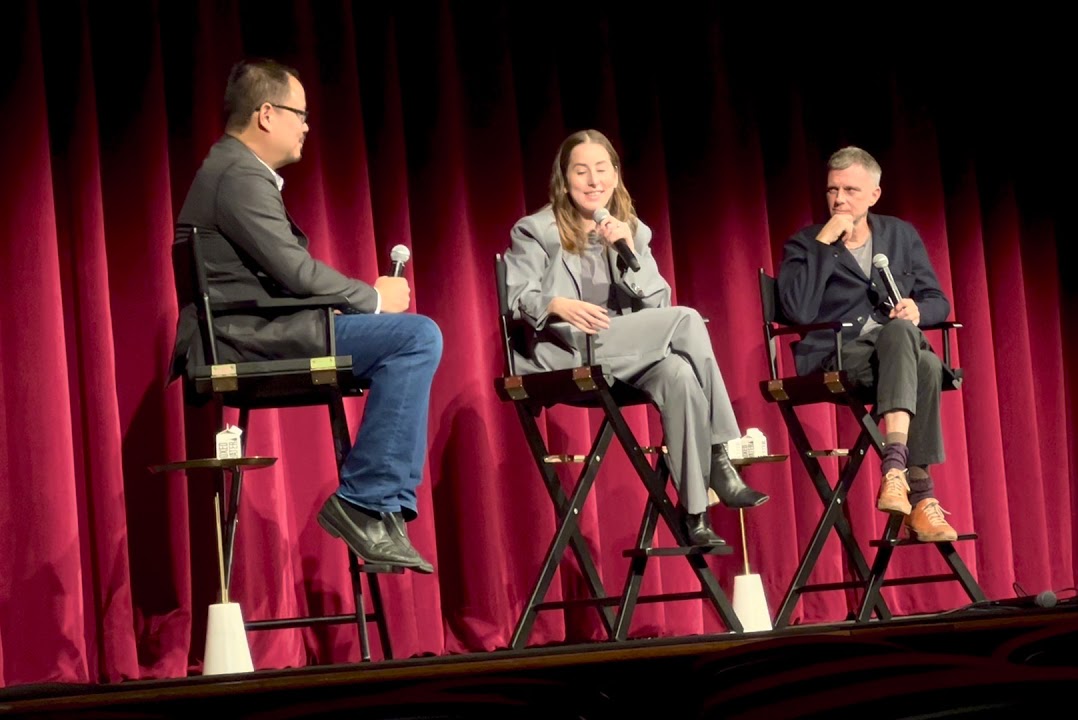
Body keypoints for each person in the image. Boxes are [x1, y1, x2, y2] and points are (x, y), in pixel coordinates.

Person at [168, 59, 442, 572]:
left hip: (262, 327)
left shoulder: (236, 170)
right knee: (414, 337)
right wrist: (374, 298)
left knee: (411, 339)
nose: (307, 127)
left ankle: (376, 502)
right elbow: (294, 272)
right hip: (248, 338)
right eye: (301, 114)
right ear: (266, 114)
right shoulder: (237, 174)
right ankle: (365, 503)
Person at [503, 129, 768, 547]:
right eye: (581, 171)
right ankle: (720, 453)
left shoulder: (631, 232)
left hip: (623, 350)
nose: (593, 181)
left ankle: (694, 515)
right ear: (564, 179)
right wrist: (556, 304)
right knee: (686, 320)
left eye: (601, 170)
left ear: (615, 175)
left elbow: (657, 300)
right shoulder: (535, 230)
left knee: (678, 372)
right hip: (567, 349)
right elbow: (518, 297)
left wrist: (627, 252)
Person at [777, 145, 958, 542]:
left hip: (898, 353)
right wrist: (824, 245)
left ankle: (896, 472)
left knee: (910, 345)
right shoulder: (805, 243)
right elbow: (798, 312)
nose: (839, 199)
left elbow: (937, 301)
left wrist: (917, 311)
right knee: (920, 359)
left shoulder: (900, 234)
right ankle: (920, 491)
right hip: (839, 356)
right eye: (832, 190)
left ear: (874, 195)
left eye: (850, 190)